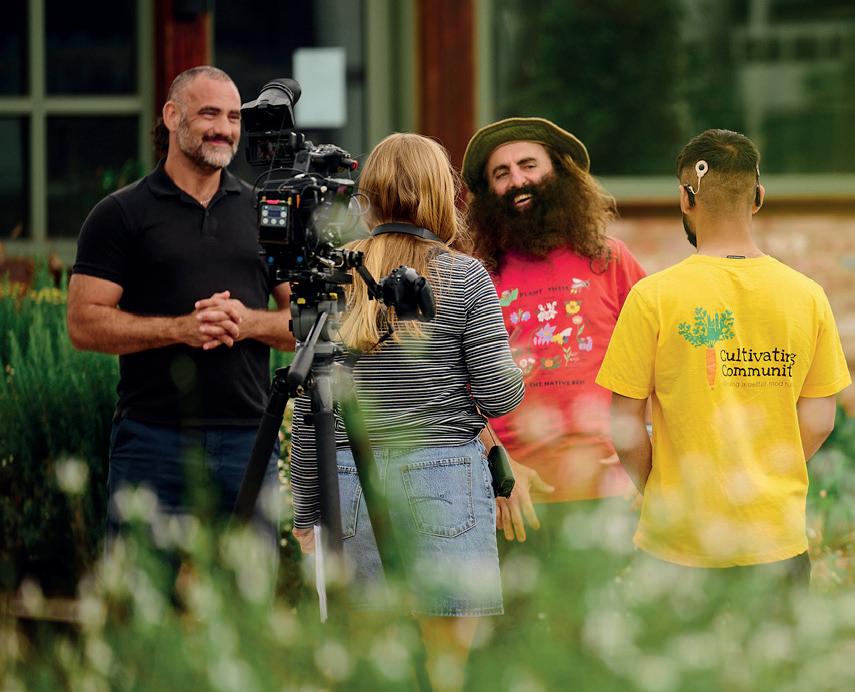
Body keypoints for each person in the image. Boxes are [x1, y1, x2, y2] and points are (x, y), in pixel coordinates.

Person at [289, 133, 524, 692]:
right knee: (446, 669)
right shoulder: (464, 276)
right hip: (445, 478)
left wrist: (304, 512)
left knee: (374, 667)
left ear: (369, 196)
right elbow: (498, 397)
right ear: (442, 194)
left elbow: (308, 407)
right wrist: (518, 372)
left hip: (350, 480)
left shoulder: (335, 276)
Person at [596, 128, 851, 587]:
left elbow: (625, 425)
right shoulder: (808, 296)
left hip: (678, 540)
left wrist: (660, 488)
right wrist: (764, 471)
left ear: (685, 198)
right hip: (775, 537)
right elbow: (819, 419)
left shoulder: (653, 297)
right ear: (758, 198)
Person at [67, 66, 295, 545]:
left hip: (248, 440)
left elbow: (309, 324)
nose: (224, 129)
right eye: (209, 113)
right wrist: (181, 329)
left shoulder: (265, 212)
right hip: (152, 439)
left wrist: (248, 322)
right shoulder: (119, 214)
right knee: (141, 587)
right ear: (172, 116)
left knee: (249, 590)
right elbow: (83, 324)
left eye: (233, 117)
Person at [461, 117, 646, 547]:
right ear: (488, 193)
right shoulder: (475, 275)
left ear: (560, 173)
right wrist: (499, 465)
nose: (517, 181)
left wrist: (653, 462)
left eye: (529, 165)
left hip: (612, 499)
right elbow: (453, 384)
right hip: (514, 503)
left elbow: (666, 362)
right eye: (501, 173)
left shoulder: (611, 260)